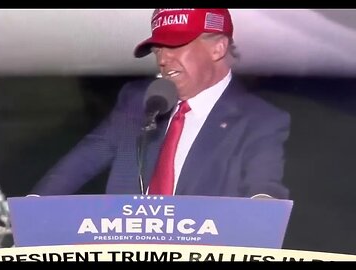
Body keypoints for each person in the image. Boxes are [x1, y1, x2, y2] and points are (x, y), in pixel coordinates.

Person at [31, 9, 290, 199]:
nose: (163, 59)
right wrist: (34, 207)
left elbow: (263, 183)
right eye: (158, 50)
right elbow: (85, 158)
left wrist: (263, 206)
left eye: (175, 46)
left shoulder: (260, 119)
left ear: (217, 49)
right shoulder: (137, 100)